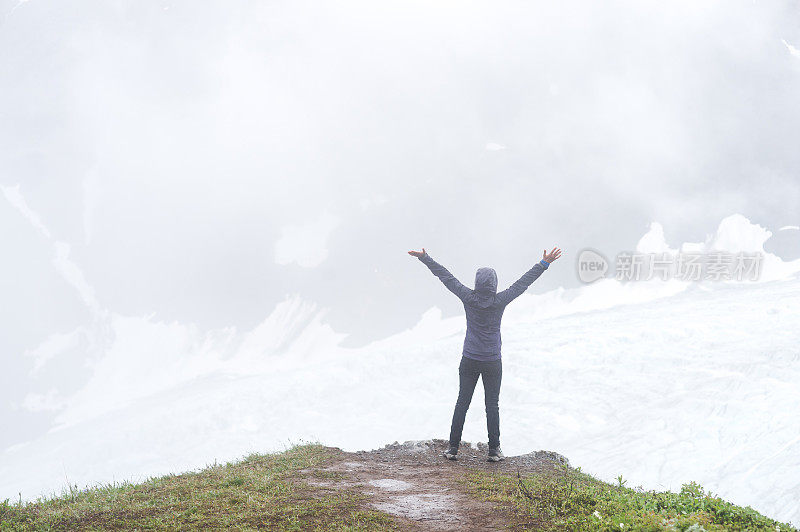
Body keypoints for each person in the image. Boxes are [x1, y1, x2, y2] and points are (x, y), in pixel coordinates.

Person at [408, 246, 562, 462]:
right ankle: (494, 450)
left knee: (462, 402)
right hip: (492, 362)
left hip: (469, 359)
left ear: (476, 283)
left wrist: (425, 258)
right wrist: (544, 263)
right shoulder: (500, 300)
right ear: (494, 284)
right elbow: (523, 283)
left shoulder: (468, 297)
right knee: (492, 405)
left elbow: (446, 277)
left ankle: (452, 449)